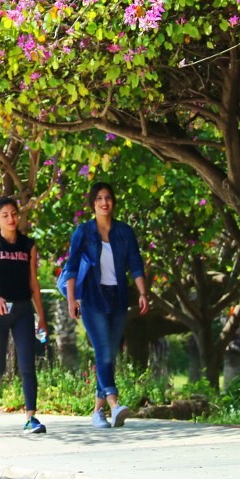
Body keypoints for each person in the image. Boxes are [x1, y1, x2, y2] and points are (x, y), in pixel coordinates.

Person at [62, 182, 149, 429]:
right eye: (99, 198)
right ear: (93, 203)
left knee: (109, 352)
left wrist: (143, 292)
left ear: (113, 202)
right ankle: (113, 403)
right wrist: (71, 299)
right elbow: (71, 267)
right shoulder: (83, 232)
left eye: (108, 197)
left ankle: (97, 412)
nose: (104, 202)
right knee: (103, 351)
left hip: (118, 297)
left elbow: (135, 264)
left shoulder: (125, 232)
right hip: (92, 297)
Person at [0, 195, 47, 434]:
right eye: (5, 215)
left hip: (22, 310)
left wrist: (41, 318)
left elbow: (34, 283)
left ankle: (31, 418)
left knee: (27, 366)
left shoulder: (28, 245)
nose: (11, 219)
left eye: (14, 214)